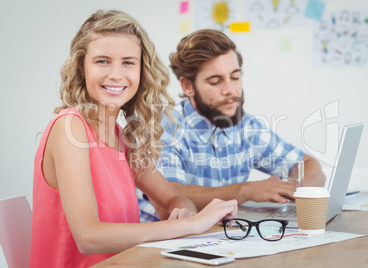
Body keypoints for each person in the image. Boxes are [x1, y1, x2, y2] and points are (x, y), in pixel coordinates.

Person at [30, 11, 238, 267]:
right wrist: (190, 225)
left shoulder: (120, 137)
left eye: (128, 62)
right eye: (102, 61)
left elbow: (174, 198)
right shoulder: (69, 127)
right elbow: (89, 238)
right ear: (81, 67)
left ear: (142, 71)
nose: (116, 74)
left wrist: (183, 213)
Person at [137, 29, 325, 222]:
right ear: (187, 86)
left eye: (235, 77)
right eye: (215, 81)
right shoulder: (165, 128)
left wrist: (290, 193)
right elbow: (168, 199)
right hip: (156, 244)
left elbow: (310, 166)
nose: (230, 90)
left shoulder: (247, 127)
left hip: (218, 237)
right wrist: (245, 191)